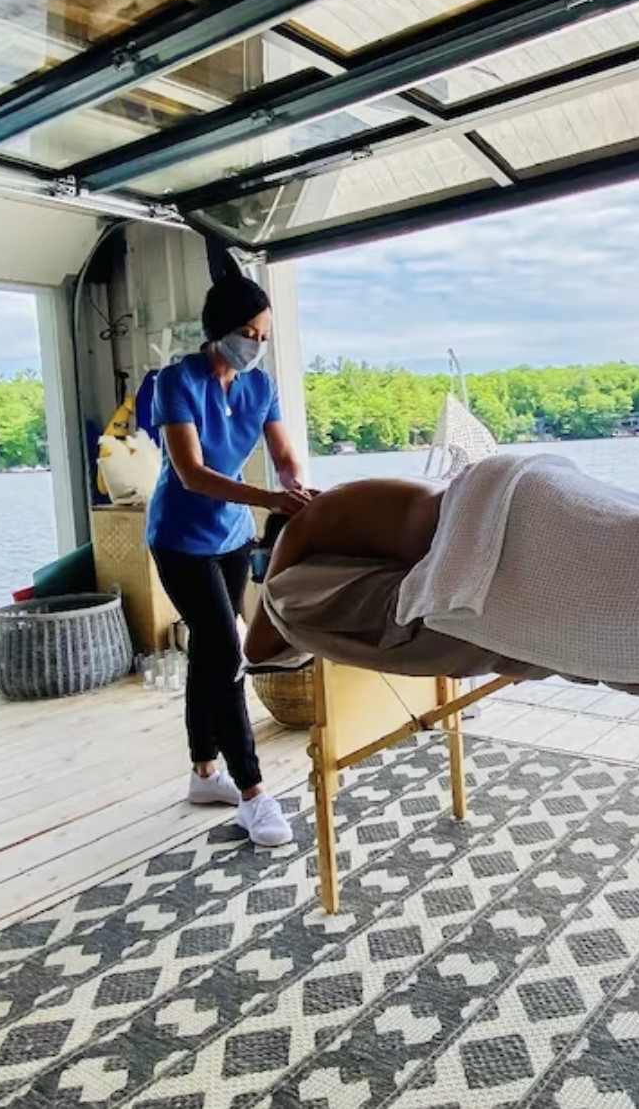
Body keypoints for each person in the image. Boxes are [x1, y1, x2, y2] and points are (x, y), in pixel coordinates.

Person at [148, 270, 315, 847]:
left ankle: (203, 773)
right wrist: (270, 496)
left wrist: (294, 485)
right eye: (249, 332)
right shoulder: (176, 382)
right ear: (219, 330)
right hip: (179, 538)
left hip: (233, 538)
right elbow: (192, 474)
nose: (257, 344)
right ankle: (252, 794)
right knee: (226, 651)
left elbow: (285, 456)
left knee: (209, 653)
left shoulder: (260, 386)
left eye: (265, 334)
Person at [242, 476, 443, 667]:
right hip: (449, 505)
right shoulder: (345, 504)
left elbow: (256, 649)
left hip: (435, 533)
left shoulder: (296, 531)